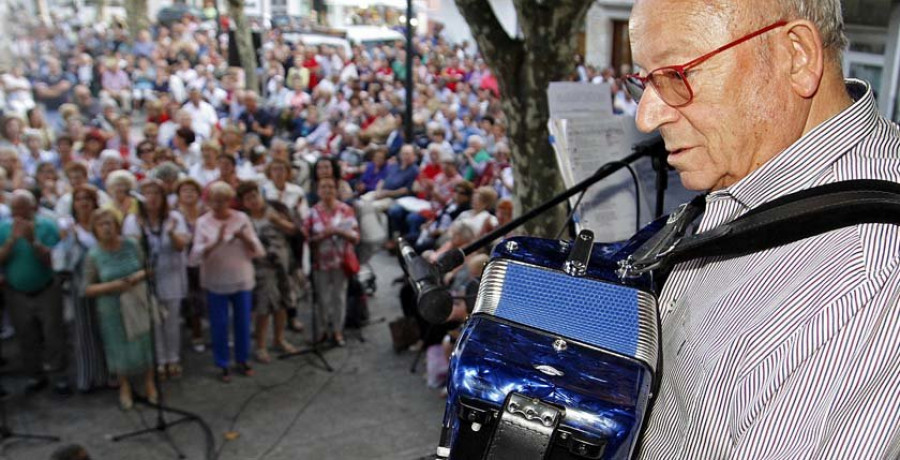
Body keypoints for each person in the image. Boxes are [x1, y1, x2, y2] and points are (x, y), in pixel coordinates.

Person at [626, 0, 900, 457]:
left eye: (677, 75)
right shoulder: (752, 169)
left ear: (797, 55)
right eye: (644, 80)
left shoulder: (869, 279)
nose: (646, 117)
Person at [189, 182, 265, 382]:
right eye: (215, 200)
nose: (220, 204)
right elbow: (194, 256)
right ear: (208, 201)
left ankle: (242, 359)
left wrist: (243, 237)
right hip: (216, 279)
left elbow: (258, 250)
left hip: (241, 277)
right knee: (219, 323)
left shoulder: (241, 218)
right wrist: (215, 242)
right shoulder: (203, 222)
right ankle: (222, 363)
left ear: (230, 200)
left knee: (242, 321)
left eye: (224, 200)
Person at [83, 208, 155, 410]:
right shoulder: (93, 254)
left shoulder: (131, 244)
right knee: (117, 346)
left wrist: (137, 277)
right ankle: (124, 385)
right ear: (95, 229)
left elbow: (147, 268)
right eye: (101, 224)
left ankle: (149, 382)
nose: (106, 228)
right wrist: (113, 286)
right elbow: (87, 288)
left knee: (144, 341)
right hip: (111, 306)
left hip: (137, 300)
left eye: (110, 223)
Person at [0, 190, 68, 394]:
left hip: (46, 289)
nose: (18, 214)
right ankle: (35, 375)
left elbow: (53, 260)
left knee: (53, 335)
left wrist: (32, 241)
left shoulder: (46, 226)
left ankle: (59, 377)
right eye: (14, 210)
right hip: (16, 293)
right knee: (26, 336)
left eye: (22, 209)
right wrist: (12, 240)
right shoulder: (3, 228)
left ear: (33, 208)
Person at [123, 179, 190, 379]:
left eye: (157, 194)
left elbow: (180, 246)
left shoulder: (175, 217)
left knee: (171, 320)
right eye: (148, 194)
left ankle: (173, 358)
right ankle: (159, 360)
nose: (152, 198)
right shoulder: (132, 221)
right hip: (147, 277)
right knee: (154, 322)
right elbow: (131, 251)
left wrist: (170, 232)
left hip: (171, 275)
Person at [236, 182, 299, 363]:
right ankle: (261, 345)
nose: (253, 201)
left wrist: (278, 222)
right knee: (263, 306)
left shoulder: (275, 209)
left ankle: (279, 339)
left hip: (283, 263)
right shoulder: (243, 218)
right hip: (261, 267)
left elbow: (294, 230)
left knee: (283, 302)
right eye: (248, 198)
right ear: (243, 202)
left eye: (255, 195)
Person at [57, 185, 108, 392]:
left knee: (106, 331)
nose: (83, 202)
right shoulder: (69, 228)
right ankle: (87, 377)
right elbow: (64, 259)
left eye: (87, 198)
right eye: (79, 199)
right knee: (84, 332)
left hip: (104, 282)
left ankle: (109, 374)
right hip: (80, 284)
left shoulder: (102, 223)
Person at [304, 177, 359, 347]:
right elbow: (307, 239)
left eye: (331, 187)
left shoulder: (346, 210)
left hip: (341, 261)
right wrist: (323, 236)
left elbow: (356, 237)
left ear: (336, 190)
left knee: (339, 297)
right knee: (322, 298)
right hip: (320, 262)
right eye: (323, 187)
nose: (327, 190)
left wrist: (338, 232)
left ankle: (337, 331)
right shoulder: (312, 212)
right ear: (318, 191)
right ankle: (322, 331)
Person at [174, 177, 208, 352]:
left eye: (192, 190)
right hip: (183, 261)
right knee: (191, 297)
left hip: (206, 260)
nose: (188, 193)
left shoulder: (206, 212)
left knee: (207, 295)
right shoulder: (174, 214)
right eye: (184, 190)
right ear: (178, 195)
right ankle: (196, 334)